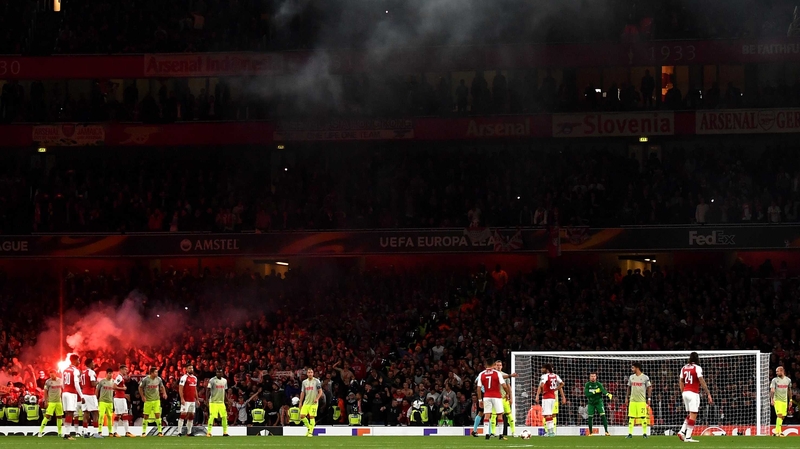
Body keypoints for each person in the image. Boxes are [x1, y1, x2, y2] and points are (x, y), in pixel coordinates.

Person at [678, 352, 713, 443]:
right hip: (693, 393)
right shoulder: (697, 368)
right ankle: (688, 437)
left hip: (685, 392)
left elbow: (681, 381)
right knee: (694, 414)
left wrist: (683, 392)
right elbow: (701, 381)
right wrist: (708, 393)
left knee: (691, 414)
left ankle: (682, 431)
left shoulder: (684, 368)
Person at [476, 359, 508, 440]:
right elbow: (504, 385)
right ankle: (501, 434)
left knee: (487, 415)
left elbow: (478, 388)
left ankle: (487, 433)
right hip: (497, 396)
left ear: (486, 365)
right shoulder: (497, 373)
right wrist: (507, 393)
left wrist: (480, 400)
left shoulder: (481, 374)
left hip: (487, 396)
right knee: (499, 414)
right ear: (494, 365)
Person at [535, 363, 565, 437]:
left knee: (547, 415)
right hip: (553, 397)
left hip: (547, 397)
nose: (542, 369)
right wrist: (555, 389)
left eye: (543, 368)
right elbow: (562, 384)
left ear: (547, 369)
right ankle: (551, 431)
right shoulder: (555, 376)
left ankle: (550, 432)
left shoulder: (545, 376)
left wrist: (542, 391)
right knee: (549, 415)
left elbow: (542, 385)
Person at [138, 366, 167, 437]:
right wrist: (142, 396)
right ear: (151, 373)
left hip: (156, 400)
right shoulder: (145, 379)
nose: (157, 373)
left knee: (157, 415)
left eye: (157, 372)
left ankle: (160, 431)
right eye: (155, 372)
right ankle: (143, 432)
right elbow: (140, 387)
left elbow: (162, 386)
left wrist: (164, 393)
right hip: (148, 400)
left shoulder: (159, 379)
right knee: (146, 416)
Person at [626, 362, 652, 439]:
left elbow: (649, 388)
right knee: (631, 417)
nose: (632, 369)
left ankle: (644, 433)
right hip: (632, 401)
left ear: (637, 368)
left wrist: (649, 398)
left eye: (633, 368)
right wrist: (626, 398)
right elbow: (628, 388)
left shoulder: (645, 377)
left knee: (643, 417)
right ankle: (630, 433)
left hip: (641, 401)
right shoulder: (631, 377)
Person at [61, 353, 84, 440]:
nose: (79, 362)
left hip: (65, 392)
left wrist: (65, 390)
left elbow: (62, 383)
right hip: (71, 393)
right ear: (74, 361)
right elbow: (76, 384)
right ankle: (67, 434)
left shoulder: (65, 370)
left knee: (67, 413)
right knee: (70, 413)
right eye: (78, 360)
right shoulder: (75, 371)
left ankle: (65, 433)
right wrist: (81, 395)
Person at [584, 371, 612, 436]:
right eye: (591, 376)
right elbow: (587, 394)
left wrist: (607, 394)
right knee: (590, 417)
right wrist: (594, 392)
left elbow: (603, 390)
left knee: (603, 416)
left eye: (594, 376)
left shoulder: (599, 384)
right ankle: (590, 433)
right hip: (591, 403)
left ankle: (606, 432)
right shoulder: (587, 384)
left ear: (596, 377)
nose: (593, 377)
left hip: (599, 402)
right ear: (589, 377)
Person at [494, 360, 516, 437]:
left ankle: (513, 432)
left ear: (502, 366)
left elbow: (509, 387)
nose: (498, 367)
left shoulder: (505, 375)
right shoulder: (493, 375)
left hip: (504, 398)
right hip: (495, 398)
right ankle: (493, 433)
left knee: (509, 415)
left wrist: (511, 398)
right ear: (494, 366)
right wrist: (511, 375)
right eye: (497, 365)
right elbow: (499, 377)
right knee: (494, 416)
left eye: (500, 365)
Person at [39, 370, 63, 438]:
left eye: (52, 374)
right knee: (47, 416)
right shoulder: (48, 381)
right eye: (50, 375)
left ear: (55, 374)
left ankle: (60, 433)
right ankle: (40, 431)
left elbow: (62, 390)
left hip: (58, 401)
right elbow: (45, 391)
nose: (51, 376)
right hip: (51, 402)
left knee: (59, 416)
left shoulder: (60, 380)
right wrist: (46, 401)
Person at [206, 367, 230, 437]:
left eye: (220, 372)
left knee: (224, 416)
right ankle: (209, 432)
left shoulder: (224, 381)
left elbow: (225, 391)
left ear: (222, 373)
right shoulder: (212, 380)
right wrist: (207, 400)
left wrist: (227, 400)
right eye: (217, 372)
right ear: (216, 373)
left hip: (221, 402)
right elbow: (208, 390)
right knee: (212, 416)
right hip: (213, 402)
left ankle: (225, 432)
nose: (219, 373)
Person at [112, 365, 134, 437]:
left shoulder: (121, 377)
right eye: (125, 369)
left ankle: (127, 432)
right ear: (121, 369)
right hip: (119, 398)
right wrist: (123, 388)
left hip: (121, 398)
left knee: (125, 414)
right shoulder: (119, 377)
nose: (126, 371)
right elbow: (114, 386)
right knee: (118, 415)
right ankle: (115, 432)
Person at [299, 368, 322, 437]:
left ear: (313, 373)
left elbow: (320, 392)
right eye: (309, 372)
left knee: (312, 416)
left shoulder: (316, 381)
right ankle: (309, 428)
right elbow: (302, 392)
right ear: (307, 374)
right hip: (306, 402)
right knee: (302, 416)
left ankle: (310, 432)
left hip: (313, 403)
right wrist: (300, 402)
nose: (310, 374)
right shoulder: (304, 382)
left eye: (311, 372)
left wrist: (317, 398)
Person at [770, 366, 792, 437]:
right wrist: (772, 399)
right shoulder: (774, 380)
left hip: (784, 401)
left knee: (783, 416)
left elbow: (789, 390)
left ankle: (777, 431)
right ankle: (778, 432)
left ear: (782, 371)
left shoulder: (788, 380)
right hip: (777, 400)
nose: (776, 373)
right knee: (779, 415)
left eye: (777, 371)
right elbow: (772, 390)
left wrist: (790, 400)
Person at [177, 363, 198, 437]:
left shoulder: (195, 378)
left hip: (192, 400)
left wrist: (197, 399)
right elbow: (180, 388)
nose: (191, 369)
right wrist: (182, 398)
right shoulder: (184, 377)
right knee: (183, 415)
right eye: (189, 368)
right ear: (186, 369)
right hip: (186, 400)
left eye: (192, 368)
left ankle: (189, 432)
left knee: (191, 416)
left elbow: (195, 389)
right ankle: (179, 432)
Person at [80, 358, 99, 437]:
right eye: (93, 363)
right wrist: (98, 382)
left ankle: (85, 432)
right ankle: (95, 432)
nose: (94, 364)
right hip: (90, 394)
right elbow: (93, 384)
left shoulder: (83, 373)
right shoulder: (91, 372)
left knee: (86, 413)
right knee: (95, 413)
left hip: (84, 394)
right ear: (90, 364)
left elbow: (81, 384)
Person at [96, 369, 115, 437]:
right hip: (102, 401)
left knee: (109, 416)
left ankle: (110, 432)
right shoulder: (102, 381)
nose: (111, 375)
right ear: (106, 374)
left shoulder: (113, 382)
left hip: (110, 402)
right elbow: (97, 390)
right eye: (109, 373)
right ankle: (100, 431)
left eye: (111, 373)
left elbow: (114, 391)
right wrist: (96, 399)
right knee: (101, 416)